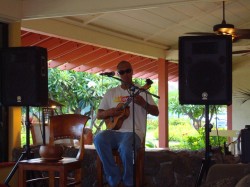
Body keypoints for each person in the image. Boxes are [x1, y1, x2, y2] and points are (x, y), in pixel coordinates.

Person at [94, 60, 159, 187]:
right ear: (118, 75)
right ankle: (115, 180)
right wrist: (111, 112)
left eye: (128, 71)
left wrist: (143, 103)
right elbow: (99, 115)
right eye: (122, 72)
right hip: (114, 131)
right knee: (99, 139)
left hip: (134, 132)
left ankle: (129, 182)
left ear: (132, 71)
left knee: (125, 146)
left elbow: (156, 112)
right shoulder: (111, 93)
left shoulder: (142, 91)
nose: (126, 74)